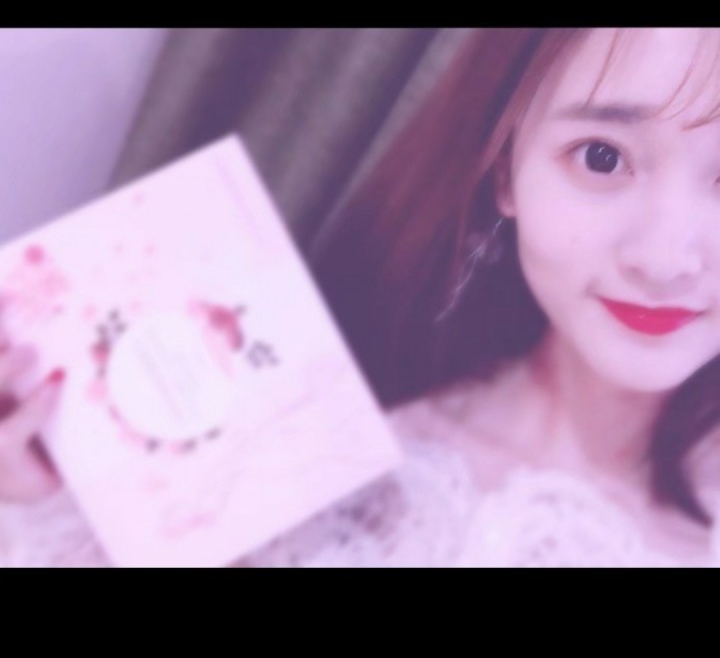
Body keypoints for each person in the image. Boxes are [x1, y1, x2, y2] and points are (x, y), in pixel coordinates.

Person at [4, 28, 720, 567]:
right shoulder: (312, 469)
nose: (665, 261)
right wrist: (52, 505)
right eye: (602, 156)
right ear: (505, 170)